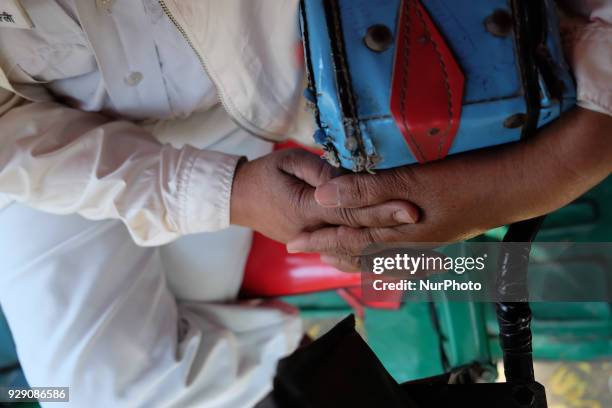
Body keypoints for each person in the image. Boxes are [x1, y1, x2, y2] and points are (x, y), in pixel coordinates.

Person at [0, 1, 610, 407]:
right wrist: (223, 194)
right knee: (70, 392)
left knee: (67, 390)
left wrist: (523, 182)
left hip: (288, 72)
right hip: (64, 140)